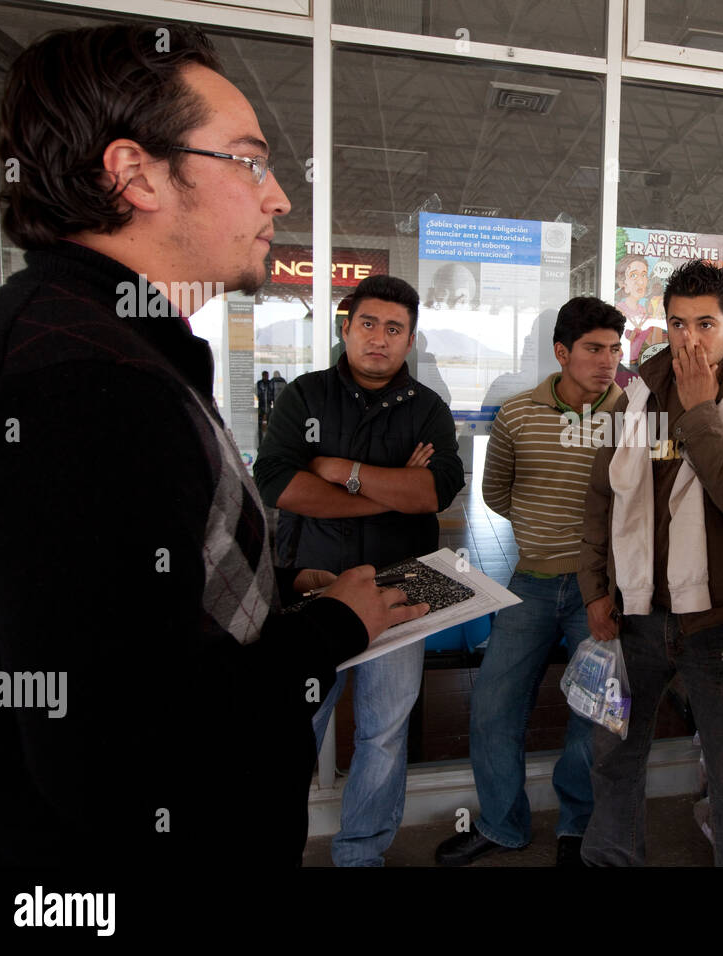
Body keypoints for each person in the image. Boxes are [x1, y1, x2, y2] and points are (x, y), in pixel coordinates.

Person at [0, 23, 426, 866]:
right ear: (135, 173)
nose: (278, 196)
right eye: (248, 161)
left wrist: (276, 590)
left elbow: (128, 611)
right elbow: (117, 751)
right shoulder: (80, 383)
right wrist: (328, 630)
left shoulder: (105, 346)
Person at [578, 260, 723, 866]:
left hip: (720, 621)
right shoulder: (637, 395)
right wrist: (596, 589)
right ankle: (610, 858)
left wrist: (701, 412)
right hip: (637, 613)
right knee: (615, 757)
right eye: (677, 323)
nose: (690, 338)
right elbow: (602, 499)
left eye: (705, 323)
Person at [254, 273, 465, 866]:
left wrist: (338, 468)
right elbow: (280, 485)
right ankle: (274, 848)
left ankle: (361, 855)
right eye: (368, 324)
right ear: (347, 329)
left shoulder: (428, 410)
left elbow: (436, 491)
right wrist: (388, 489)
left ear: (410, 339)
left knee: (384, 732)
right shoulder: (304, 396)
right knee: (294, 727)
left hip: (403, 586)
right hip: (313, 587)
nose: (379, 338)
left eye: (394, 328)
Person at [434, 297, 625, 867]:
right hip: (532, 583)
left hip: (601, 593)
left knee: (595, 717)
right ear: (562, 352)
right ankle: (501, 824)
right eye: (594, 349)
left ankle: (577, 828)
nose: (608, 362)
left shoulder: (636, 416)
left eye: (616, 349)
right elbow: (496, 492)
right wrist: (542, 525)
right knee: (493, 707)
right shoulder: (518, 414)